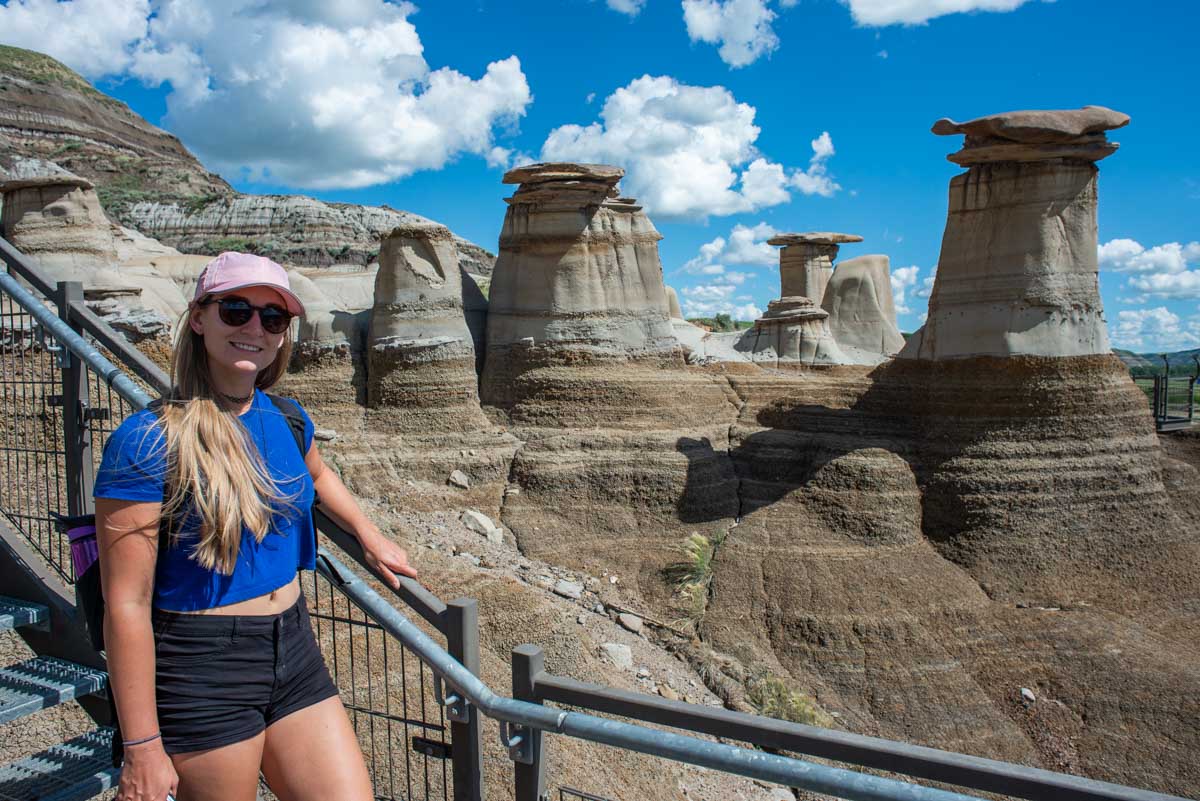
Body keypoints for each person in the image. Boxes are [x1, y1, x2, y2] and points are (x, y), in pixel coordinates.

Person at [93, 252, 416, 801]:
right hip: (201, 666)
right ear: (198, 318)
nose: (255, 329)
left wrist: (368, 532)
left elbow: (317, 474)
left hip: (294, 647)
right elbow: (125, 602)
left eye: (273, 319)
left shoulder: (286, 416)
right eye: (236, 310)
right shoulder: (146, 440)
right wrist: (142, 747)